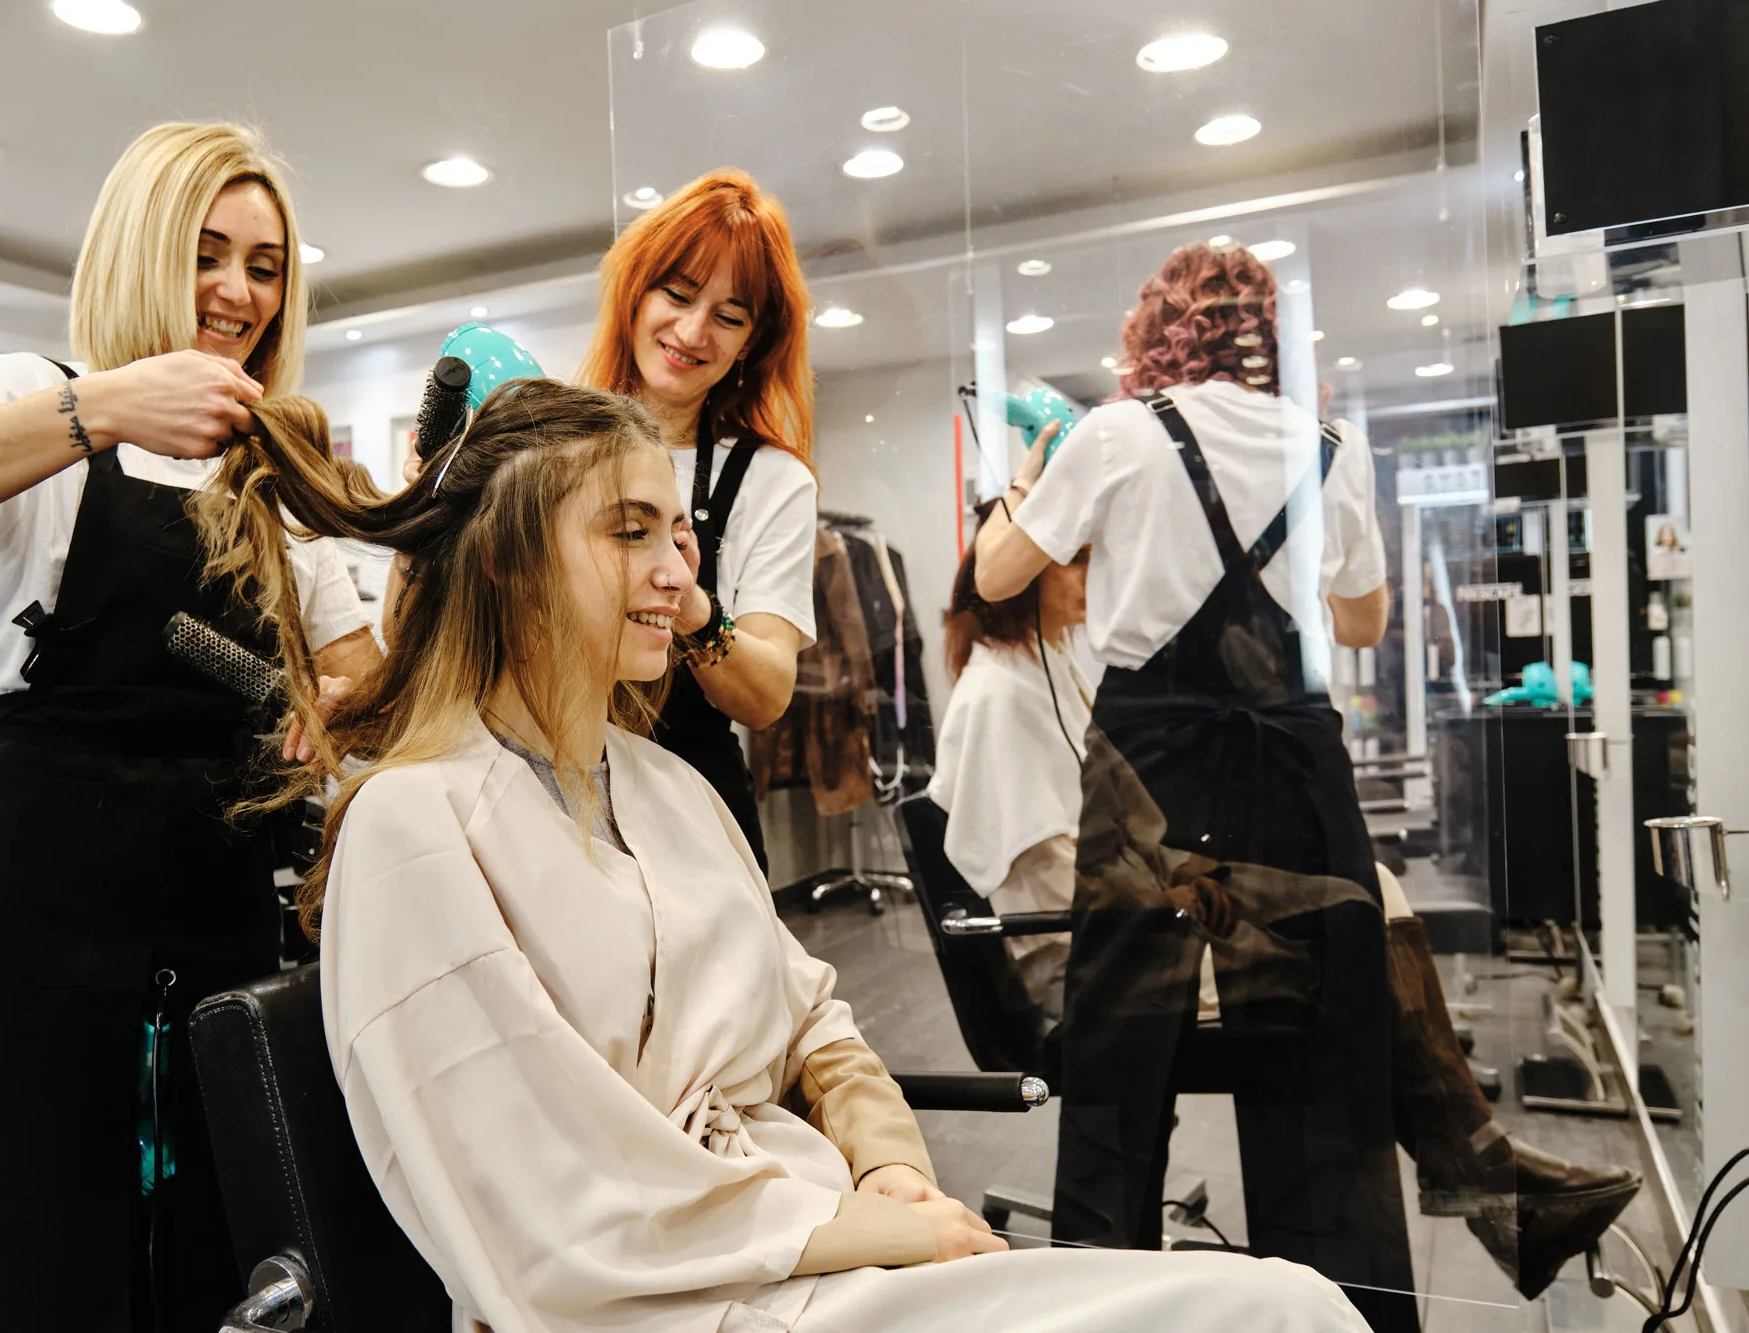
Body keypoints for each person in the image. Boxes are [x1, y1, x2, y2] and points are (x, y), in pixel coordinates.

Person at [203, 376, 1370, 1333]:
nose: (678, 574)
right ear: (508, 561)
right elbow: (548, 1208)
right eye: (628, 531)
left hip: (816, 1254)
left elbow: (814, 1017)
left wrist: (890, 1168)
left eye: (677, 533)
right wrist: (876, 1228)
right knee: (1282, 1315)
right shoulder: (415, 827)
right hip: (652, 1305)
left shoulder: (664, 786)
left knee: (1292, 1304)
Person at [972, 240, 1635, 1317]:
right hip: (1291, 760)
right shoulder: (1329, 446)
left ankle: (1105, 1301)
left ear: (1155, 332)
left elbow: (997, 572)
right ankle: (1344, 1307)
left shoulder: (1113, 434)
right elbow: (1361, 623)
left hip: (1149, 771)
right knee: (1320, 1053)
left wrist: (1030, 481)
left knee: (1116, 1057)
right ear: (1269, 337)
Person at [0, 122, 380, 1332]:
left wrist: (335, 706)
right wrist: (99, 407)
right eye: (205, 253)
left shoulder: (268, 464)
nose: (237, 292)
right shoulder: (32, 394)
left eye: (265, 267)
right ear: (139, 248)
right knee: (17, 1225)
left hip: (216, 886)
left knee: (209, 1222)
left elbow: (361, 680)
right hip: (36, 885)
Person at [573, 168, 819, 870]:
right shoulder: (545, 446)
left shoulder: (770, 480)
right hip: (551, 798)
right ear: (635, 293)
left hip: (696, 817)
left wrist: (692, 605)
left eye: (728, 317)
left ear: (752, 343)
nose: (691, 331)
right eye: (677, 296)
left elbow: (766, 695)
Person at [928, 529, 1094, 1021]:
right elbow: (1044, 866)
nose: (1094, 575)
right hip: (1071, 954)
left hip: (1096, 924)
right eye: (1075, 559)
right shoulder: (998, 693)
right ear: (1019, 576)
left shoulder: (1050, 663)